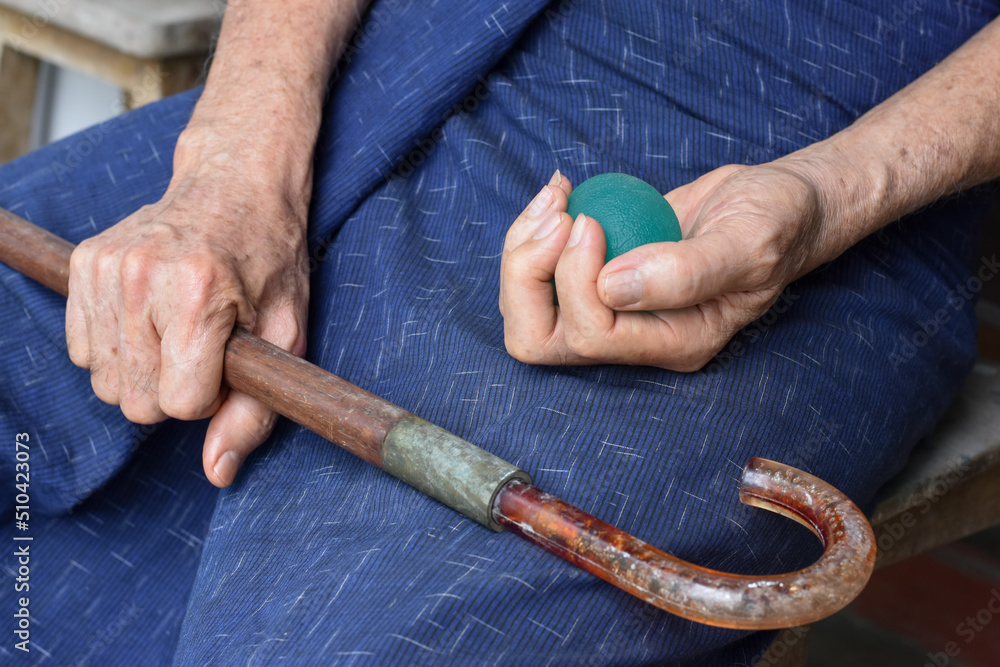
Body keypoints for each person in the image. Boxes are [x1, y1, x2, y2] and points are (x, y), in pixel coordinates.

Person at [1, 0, 998, 664]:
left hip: (793, 126)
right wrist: (236, 159)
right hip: (396, 55)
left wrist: (828, 195)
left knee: (356, 639)